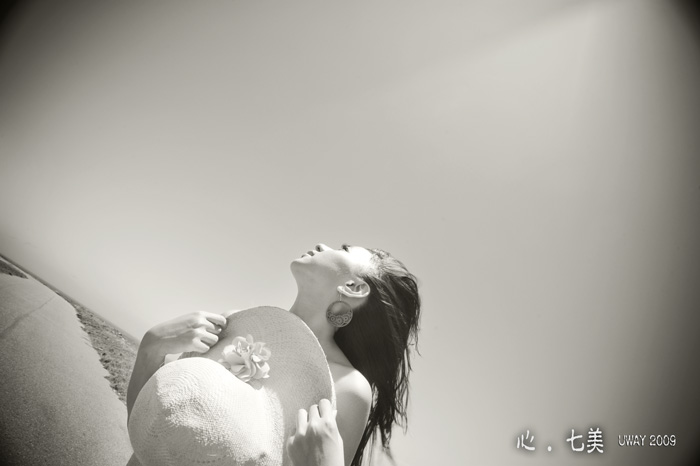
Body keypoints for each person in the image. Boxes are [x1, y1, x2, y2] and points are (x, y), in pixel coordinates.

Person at [127, 243, 421, 466]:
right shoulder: (233, 322)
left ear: (354, 287)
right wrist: (151, 348)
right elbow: (149, 428)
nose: (322, 245)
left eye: (343, 249)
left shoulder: (346, 386)